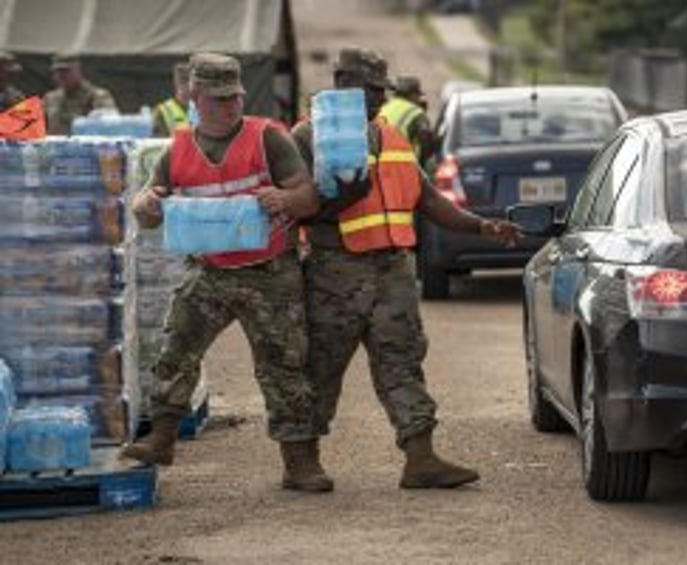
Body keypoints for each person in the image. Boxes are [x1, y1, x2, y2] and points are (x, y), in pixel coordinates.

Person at [291, 47, 520, 489]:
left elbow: (429, 200)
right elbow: (296, 207)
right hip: (335, 272)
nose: (379, 98)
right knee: (320, 368)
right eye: (370, 89)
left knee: (403, 362)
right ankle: (301, 462)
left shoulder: (390, 135)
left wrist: (482, 226)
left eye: (382, 90)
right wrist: (336, 196)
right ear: (342, 83)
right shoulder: (306, 137)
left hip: (393, 271)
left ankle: (421, 459)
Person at [122, 53, 332, 493]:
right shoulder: (177, 149)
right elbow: (149, 209)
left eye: (234, 97)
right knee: (176, 349)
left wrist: (285, 199)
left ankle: (300, 462)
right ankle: (161, 438)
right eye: (218, 99)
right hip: (211, 271)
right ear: (194, 97)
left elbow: (309, 197)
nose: (230, 106)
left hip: (270, 271)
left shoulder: (268, 138)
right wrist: (146, 205)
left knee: (284, 366)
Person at [43, 53, 117, 135]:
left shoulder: (98, 97)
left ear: (78, 70)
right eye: (57, 72)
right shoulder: (50, 98)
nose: (61, 76)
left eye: (66, 71)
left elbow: (110, 126)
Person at [378, 74, 435, 167]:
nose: (419, 99)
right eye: (418, 95)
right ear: (412, 94)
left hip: (379, 164)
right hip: (402, 166)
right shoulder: (416, 113)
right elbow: (427, 144)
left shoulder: (384, 107)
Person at [152, 62, 192, 137]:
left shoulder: (203, 108)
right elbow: (158, 140)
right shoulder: (163, 110)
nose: (189, 87)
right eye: (184, 82)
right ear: (177, 84)